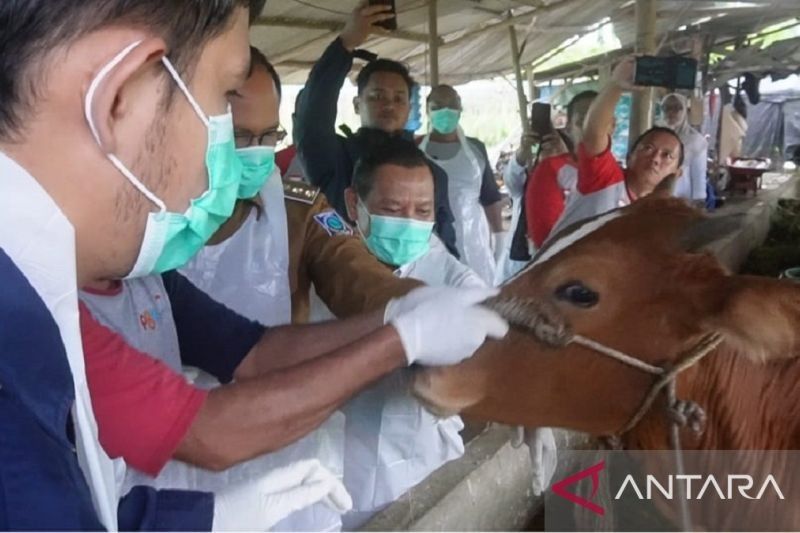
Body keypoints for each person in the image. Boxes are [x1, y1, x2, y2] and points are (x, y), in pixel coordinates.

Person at [0, 1, 269, 529]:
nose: (231, 163)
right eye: (223, 96)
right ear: (118, 97)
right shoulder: (14, 357)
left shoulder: (32, 306)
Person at [310, 137, 485, 529]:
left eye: (422, 211)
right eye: (392, 209)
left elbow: (490, 361)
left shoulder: (456, 285)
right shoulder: (324, 258)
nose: (409, 221)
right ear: (354, 204)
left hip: (415, 470)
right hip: (325, 467)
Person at [183, 48, 421, 326]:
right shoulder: (152, 214)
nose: (257, 151)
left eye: (270, 135)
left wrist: (418, 304)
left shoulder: (300, 211)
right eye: (239, 136)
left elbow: (353, 270)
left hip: (274, 367)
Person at [295, 1, 459, 256]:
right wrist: (345, 45)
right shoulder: (336, 160)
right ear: (357, 104)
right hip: (346, 283)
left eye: (399, 98)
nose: (389, 105)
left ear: (409, 106)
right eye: (377, 96)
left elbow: (446, 245)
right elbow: (311, 118)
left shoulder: (433, 175)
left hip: (414, 287)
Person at [547, 57, 685, 240]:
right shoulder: (604, 178)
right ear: (629, 157)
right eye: (648, 148)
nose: (656, 159)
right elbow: (594, 132)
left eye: (667, 156)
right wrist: (616, 85)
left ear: (676, 174)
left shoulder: (660, 218)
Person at [418, 84, 506, 284]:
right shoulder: (414, 148)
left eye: (452, 104)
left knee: (476, 293)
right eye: (438, 106)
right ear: (427, 110)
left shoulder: (476, 149)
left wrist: (499, 236)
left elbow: (490, 197)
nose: (446, 111)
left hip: (474, 240)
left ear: (460, 108)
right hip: (430, 237)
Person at [504, 91, 598, 254]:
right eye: (582, 121)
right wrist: (524, 154)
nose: (590, 128)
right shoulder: (542, 166)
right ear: (569, 126)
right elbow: (513, 185)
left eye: (597, 120)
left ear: (612, 124)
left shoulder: (615, 175)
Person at [660, 92, 708, 203]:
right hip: (654, 197)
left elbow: (699, 175)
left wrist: (699, 201)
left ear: (685, 111)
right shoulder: (655, 135)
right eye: (666, 108)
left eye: (677, 108)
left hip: (681, 198)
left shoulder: (695, 140)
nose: (671, 112)